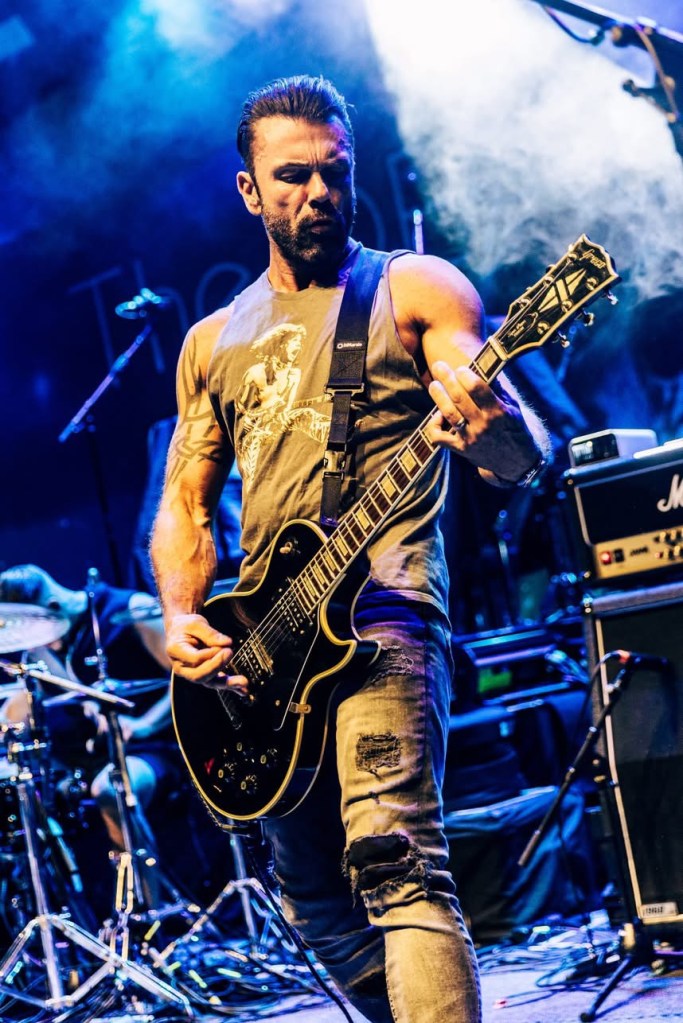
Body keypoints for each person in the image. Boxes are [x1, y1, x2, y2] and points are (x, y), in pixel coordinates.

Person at [151, 75, 551, 1023]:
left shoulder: (413, 287)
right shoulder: (211, 341)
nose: (319, 194)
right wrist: (178, 614)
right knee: (317, 908)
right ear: (249, 190)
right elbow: (186, 504)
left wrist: (492, 420)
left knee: (394, 861)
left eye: (335, 172)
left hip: (384, 613)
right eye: (292, 176)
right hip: (269, 643)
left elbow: (514, 460)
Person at [0, 564, 179, 874]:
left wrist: (145, 724)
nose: (35, 641)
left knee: (110, 790)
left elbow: (189, 680)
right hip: (98, 757)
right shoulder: (43, 647)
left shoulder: (130, 610)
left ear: (52, 606)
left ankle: (145, 901)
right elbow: (20, 709)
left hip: (157, 747)